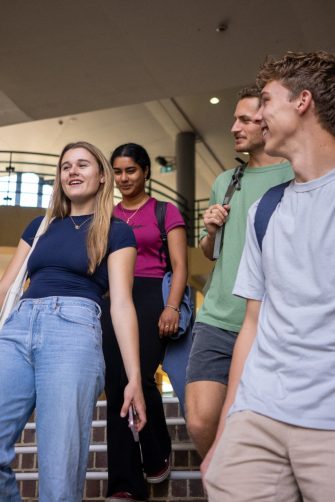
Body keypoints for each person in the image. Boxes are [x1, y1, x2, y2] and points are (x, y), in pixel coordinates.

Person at [203, 50, 335, 502]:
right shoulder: (266, 209)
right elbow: (253, 325)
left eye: (265, 100)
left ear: (302, 102)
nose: (257, 116)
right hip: (258, 415)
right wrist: (225, 431)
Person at [0, 141, 146, 502]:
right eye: (66, 166)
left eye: (82, 165)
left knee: (60, 470)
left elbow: (122, 305)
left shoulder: (116, 232)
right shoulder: (39, 226)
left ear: (101, 177)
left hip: (73, 330)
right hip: (18, 327)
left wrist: (134, 379)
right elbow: (6, 286)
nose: (73, 171)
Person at [185, 86, 293, 458]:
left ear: (268, 125)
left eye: (245, 120)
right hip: (217, 318)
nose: (234, 127)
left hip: (269, 321)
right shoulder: (226, 181)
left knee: (259, 419)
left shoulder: (295, 174)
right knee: (200, 420)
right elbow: (209, 252)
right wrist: (212, 229)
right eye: (235, 118)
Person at [102, 143, 188, 502]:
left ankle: (155, 451)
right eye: (118, 172)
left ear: (146, 172)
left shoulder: (165, 211)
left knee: (140, 376)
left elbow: (181, 266)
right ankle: (124, 483)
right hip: (115, 297)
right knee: (115, 381)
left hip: (154, 297)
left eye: (131, 171)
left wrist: (171, 307)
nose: (124, 178)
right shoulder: (106, 214)